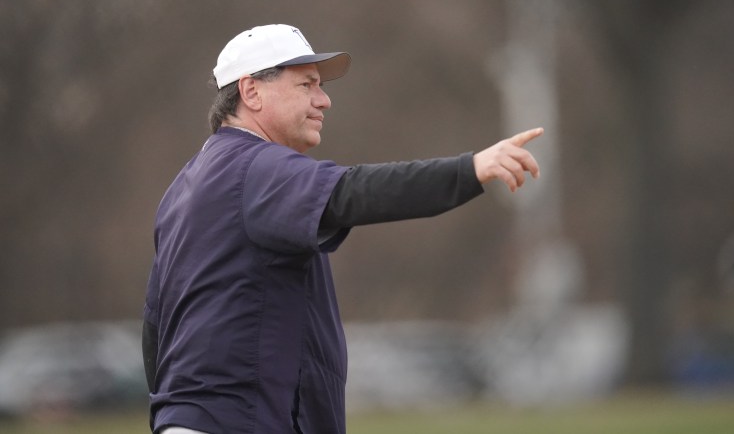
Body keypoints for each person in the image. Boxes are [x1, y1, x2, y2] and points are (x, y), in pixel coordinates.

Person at [143, 24, 543, 434]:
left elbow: (156, 328)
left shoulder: (182, 189)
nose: (324, 100)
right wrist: (469, 170)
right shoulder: (256, 168)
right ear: (251, 92)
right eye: (306, 84)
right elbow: (352, 192)